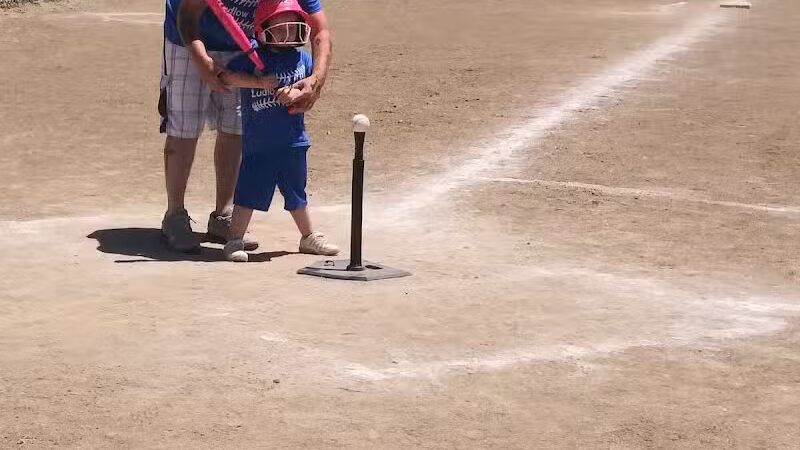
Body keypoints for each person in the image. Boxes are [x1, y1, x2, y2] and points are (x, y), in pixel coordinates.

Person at [159, 0, 332, 253]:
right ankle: (175, 214)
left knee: (236, 127)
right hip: (189, 34)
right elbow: (188, 13)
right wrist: (201, 60)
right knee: (184, 126)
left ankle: (224, 215)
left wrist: (315, 81)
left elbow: (320, 29)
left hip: (246, 42)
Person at [219, 0, 339, 262]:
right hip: (260, 144)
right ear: (263, 30)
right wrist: (258, 82)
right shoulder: (253, 58)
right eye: (279, 27)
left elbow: (308, 86)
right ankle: (234, 239)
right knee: (248, 193)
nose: (287, 33)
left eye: (291, 26)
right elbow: (226, 77)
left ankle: (308, 236)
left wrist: (294, 92)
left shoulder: (303, 58)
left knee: (296, 191)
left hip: (294, 141)